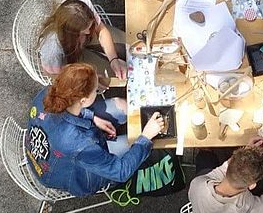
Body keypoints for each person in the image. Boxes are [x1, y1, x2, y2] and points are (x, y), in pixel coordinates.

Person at [26, 63, 166, 194]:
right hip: (73, 175)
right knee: (135, 142)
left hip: (49, 151)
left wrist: (92, 117)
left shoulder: (49, 94)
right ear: (83, 100)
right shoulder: (80, 143)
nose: (97, 88)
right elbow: (120, 171)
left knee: (120, 105)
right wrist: (145, 137)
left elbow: (69, 113)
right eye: (95, 89)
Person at [38, 0, 127, 90]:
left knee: (130, 49)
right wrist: (88, 80)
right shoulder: (52, 48)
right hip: (71, 61)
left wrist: (113, 60)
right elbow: (55, 76)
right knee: (118, 75)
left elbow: (101, 30)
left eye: (91, 25)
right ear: (70, 32)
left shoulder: (83, 5)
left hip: (81, 44)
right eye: (83, 31)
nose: (89, 32)